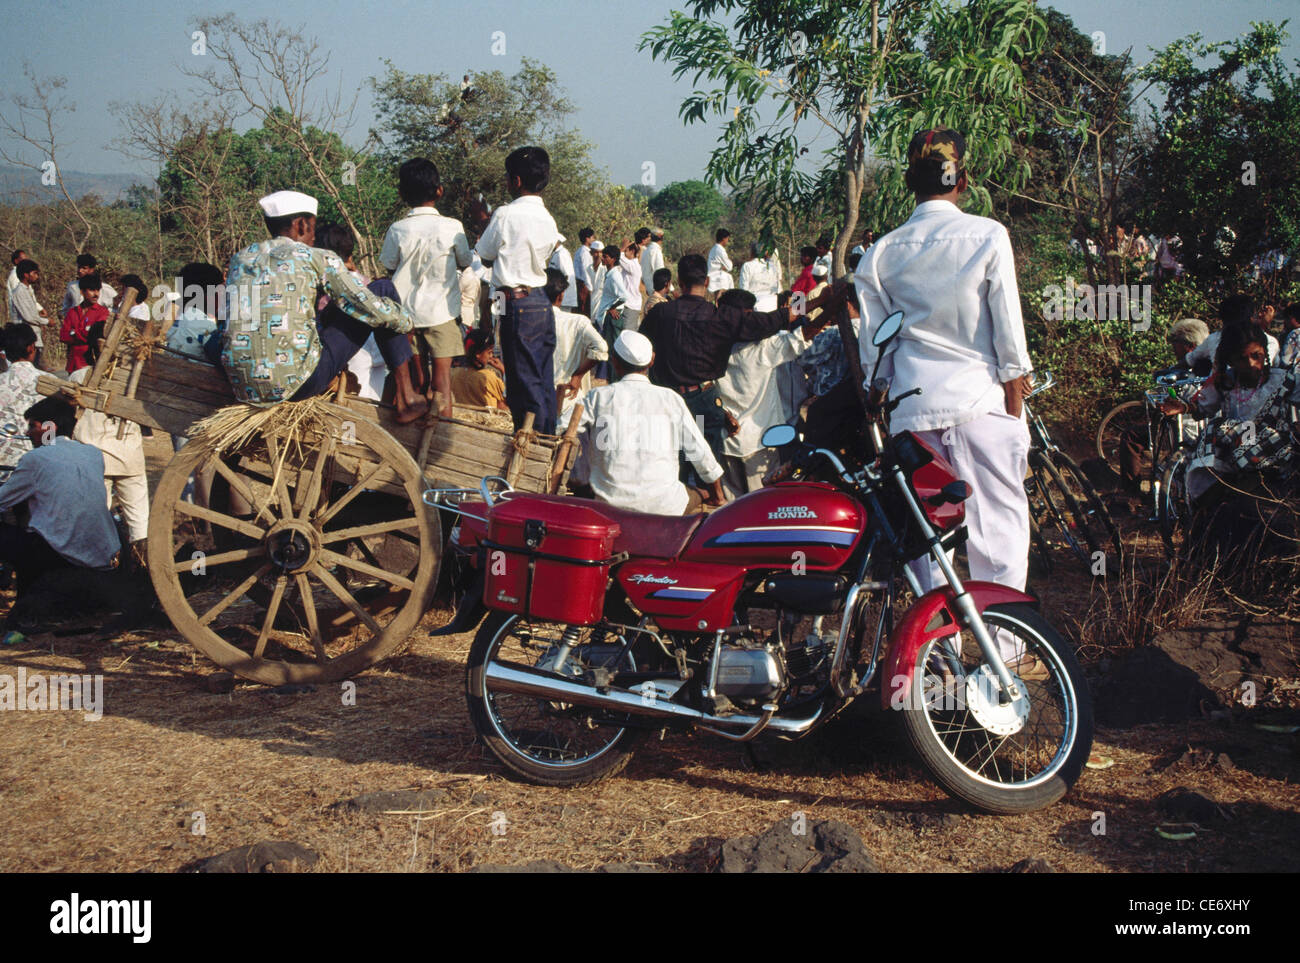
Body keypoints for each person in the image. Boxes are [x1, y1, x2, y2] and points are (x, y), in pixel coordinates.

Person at [855, 127, 1036, 669]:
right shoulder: (987, 235)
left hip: (914, 415)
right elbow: (1009, 340)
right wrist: (1015, 416)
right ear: (965, 180)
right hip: (982, 403)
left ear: (909, 184)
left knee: (931, 539)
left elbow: (876, 359)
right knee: (998, 532)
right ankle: (1004, 655)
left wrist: (882, 409)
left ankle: (941, 656)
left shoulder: (882, 254)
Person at [222, 189, 427, 423]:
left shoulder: (241, 259)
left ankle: (405, 395)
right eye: (312, 227)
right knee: (382, 290)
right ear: (301, 225)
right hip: (298, 384)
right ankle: (407, 397)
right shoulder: (315, 256)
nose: (313, 237)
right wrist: (406, 322)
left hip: (240, 383)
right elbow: (364, 304)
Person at [640, 252, 843, 473]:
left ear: (679, 282)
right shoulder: (731, 325)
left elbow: (640, 350)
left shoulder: (660, 313)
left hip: (670, 400)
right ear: (707, 281)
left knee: (678, 463)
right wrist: (824, 301)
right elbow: (790, 320)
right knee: (705, 468)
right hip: (712, 408)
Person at [577, 330, 724, 515]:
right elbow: (698, 450)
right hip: (665, 506)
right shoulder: (671, 398)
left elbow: (565, 428)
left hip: (610, 504)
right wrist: (717, 495)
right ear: (652, 360)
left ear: (614, 361)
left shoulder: (597, 397)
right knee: (699, 493)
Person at [472, 146, 563, 434]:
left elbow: (485, 254)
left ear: (517, 181)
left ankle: (530, 444)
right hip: (539, 301)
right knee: (542, 379)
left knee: (523, 382)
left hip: (517, 304)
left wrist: (485, 223)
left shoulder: (505, 215)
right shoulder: (548, 219)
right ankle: (546, 441)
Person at [0, 396, 121, 603]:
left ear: (49, 427)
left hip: (59, 552)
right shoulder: (92, 453)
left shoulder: (36, 458)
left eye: (32, 426)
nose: (28, 433)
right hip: (100, 553)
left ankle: (22, 597)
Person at [1163, 324, 1300, 505]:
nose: (1251, 364)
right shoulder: (1225, 381)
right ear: (1232, 360)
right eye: (1242, 359)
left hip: (1272, 449)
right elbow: (1203, 407)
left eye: (1256, 356)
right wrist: (1185, 408)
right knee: (1218, 428)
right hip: (1235, 449)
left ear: (1265, 354)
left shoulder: (1283, 380)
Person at [380, 158, 473, 419]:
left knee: (415, 379)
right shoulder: (453, 226)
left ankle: (411, 433)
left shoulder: (397, 229)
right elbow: (466, 262)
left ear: (402, 194)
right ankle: (442, 434)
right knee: (442, 382)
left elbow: (389, 266)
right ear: (439, 191)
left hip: (406, 316)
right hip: (442, 314)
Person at [715, 289, 828, 496]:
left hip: (726, 443)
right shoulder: (764, 348)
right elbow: (804, 333)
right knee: (762, 506)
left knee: (733, 511)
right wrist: (826, 302)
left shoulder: (709, 344)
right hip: (760, 443)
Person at [69, 321, 149, 547]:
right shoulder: (137, 380)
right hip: (129, 457)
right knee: (139, 519)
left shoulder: (79, 376)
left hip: (93, 459)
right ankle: (142, 562)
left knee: (96, 517)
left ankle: (100, 564)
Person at [545, 269, 607, 431]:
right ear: (561, 296)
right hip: (569, 398)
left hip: (538, 400)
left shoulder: (528, 321)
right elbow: (601, 348)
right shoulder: (577, 322)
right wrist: (578, 376)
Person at [1186, 294, 1279, 369]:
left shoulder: (1214, 338)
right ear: (1251, 318)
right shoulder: (1269, 341)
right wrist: (1262, 327)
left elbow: (1190, 359)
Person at [0, 323, 43, 481]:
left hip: (2, 467)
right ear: (31, 347)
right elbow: (51, 432)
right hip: (36, 467)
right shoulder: (50, 383)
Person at [169, 262, 224, 360]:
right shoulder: (206, 325)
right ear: (209, 295)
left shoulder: (182, 318)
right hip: (193, 373)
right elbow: (220, 356)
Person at [59, 272, 110, 373]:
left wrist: (73, 332)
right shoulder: (72, 312)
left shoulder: (103, 312)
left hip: (91, 363)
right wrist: (84, 332)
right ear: (82, 292)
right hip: (73, 363)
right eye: (92, 290)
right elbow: (63, 336)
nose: (96, 294)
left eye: (98, 290)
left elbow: (94, 336)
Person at [450, 328, 509, 412]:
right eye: (489, 352)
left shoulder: (455, 373)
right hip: (487, 420)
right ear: (477, 354)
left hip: (466, 416)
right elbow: (507, 400)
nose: (491, 356)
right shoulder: (488, 377)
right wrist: (503, 370)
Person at [10, 258, 51, 369]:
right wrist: (47, 321)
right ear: (26, 275)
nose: (36, 276)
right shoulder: (19, 292)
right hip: (26, 340)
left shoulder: (27, 290)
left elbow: (30, 313)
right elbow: (28, 317)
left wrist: (39, 317)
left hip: (33, 338)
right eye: (34, 273)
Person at [61, 254, 117, 319]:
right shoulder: (72, 286)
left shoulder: (105, 288)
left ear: (91, 270)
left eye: (84, 268)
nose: (80, 270)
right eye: (79, 267)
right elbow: (66, 307)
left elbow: (112, 309)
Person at [738, 241, 781, 311]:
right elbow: (776, 290)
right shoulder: (772, 267)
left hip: (755, 309)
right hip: (773, 307)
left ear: (752, 253)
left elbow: (743, 291)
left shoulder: (747, 266)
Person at [618, 241, 645, 331]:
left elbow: (618, 256)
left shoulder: (632, 265)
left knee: (627, 333)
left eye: (626, 251)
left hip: (631, 306)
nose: (624, 253)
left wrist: (622, 248)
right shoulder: (630, 265)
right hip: (629, 305)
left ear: (632, 251)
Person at [548, 236, 578, 311]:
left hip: (564, 299)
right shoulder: (557, 253)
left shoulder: (562, 254)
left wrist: (559, 293)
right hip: (560, 297)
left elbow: (566, 276)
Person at [573, 228, 596, 316]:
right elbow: (586, 271)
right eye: (592, 237)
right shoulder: (585, 252)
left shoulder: (580, 251)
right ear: (587, 239)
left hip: (582, 284)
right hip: (584, 285)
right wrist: (590, 288)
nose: (594, 239)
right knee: (584, 311)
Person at [707, 229, 734, 295]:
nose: (727, 241)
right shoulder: (720, 250)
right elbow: (729, 267)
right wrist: (724, 267)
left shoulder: (714, 249)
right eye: (727, 239)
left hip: (712, 277)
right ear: (723, 239)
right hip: (718, 278)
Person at [640, 227, 665, 297]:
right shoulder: (656, 251)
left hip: (649, 290)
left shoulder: (645, 250)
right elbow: (660, 272)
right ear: (660, 237)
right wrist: (672, 290)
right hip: (656, 291)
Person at [6, 250, 26, 322]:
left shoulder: (21, 274)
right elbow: (20, 298)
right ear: (16, 261)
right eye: (23, 260)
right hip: (19, 318)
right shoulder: (15, 276)